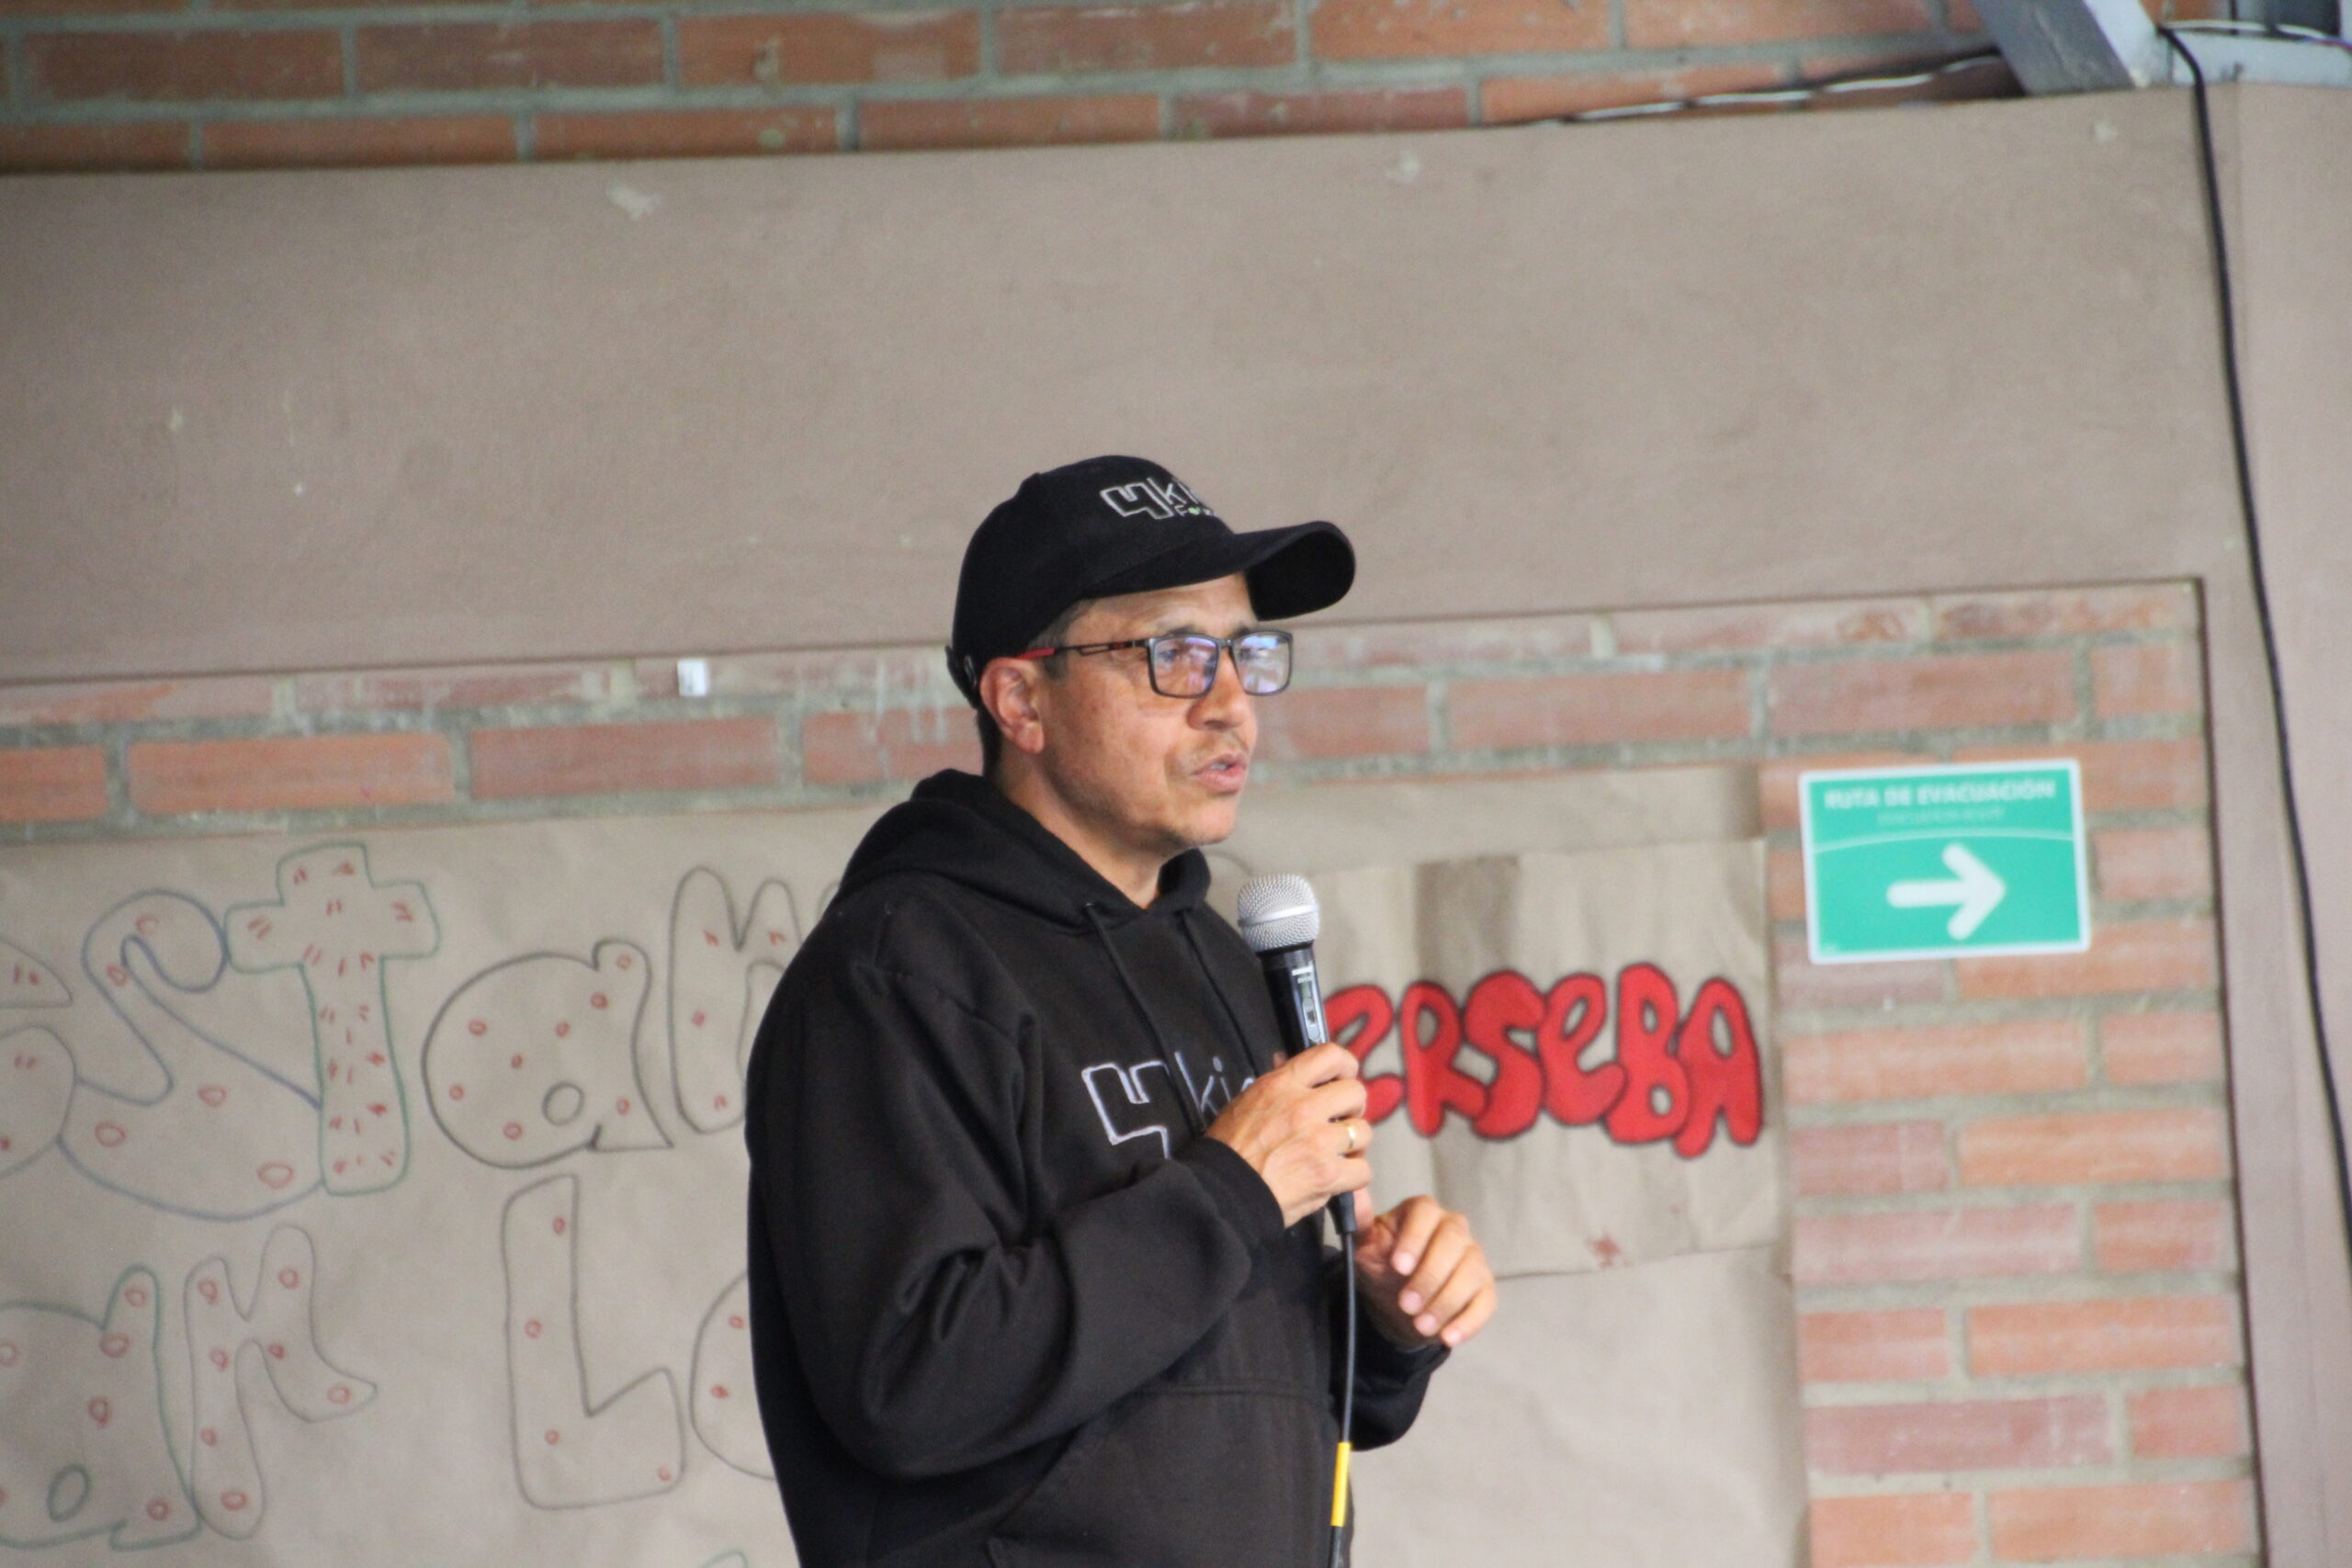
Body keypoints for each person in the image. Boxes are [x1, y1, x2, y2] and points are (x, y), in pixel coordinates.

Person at [743, 456, 1496, 1568]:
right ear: (1020, 701)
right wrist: (1230, 1190)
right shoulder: (897, 972)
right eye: (1173, 655)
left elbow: (1230, 1385)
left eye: (1244, 653)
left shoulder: (1220, 961)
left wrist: (1382, 1325)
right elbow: (907, 1383)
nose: (1230, 703)